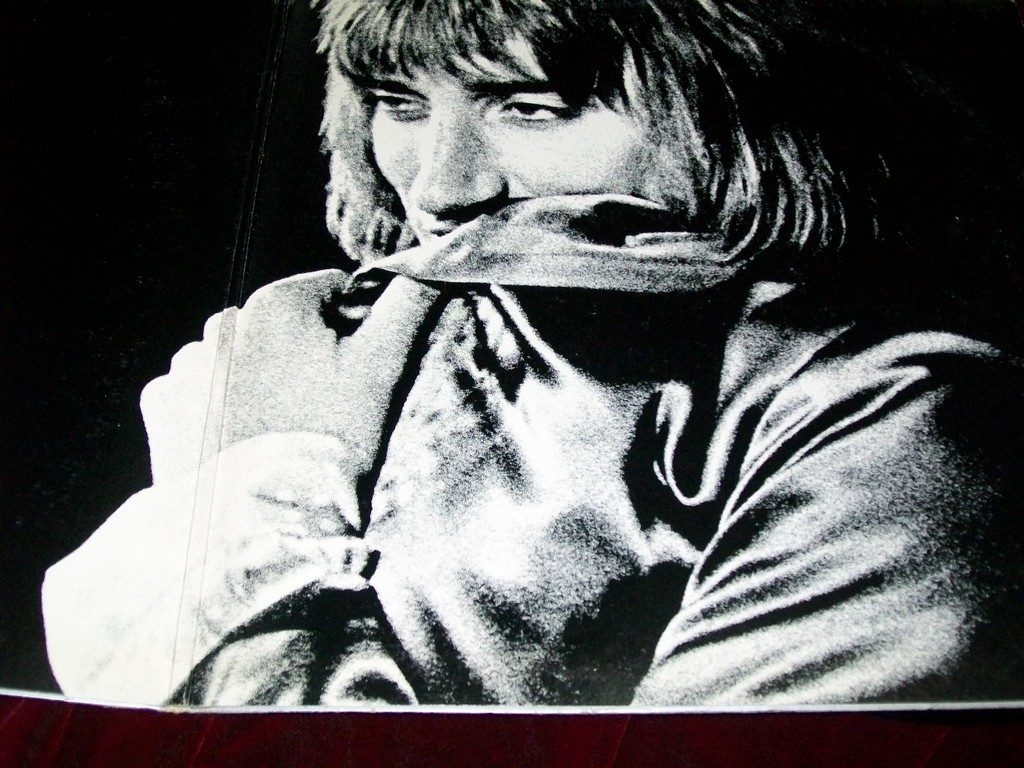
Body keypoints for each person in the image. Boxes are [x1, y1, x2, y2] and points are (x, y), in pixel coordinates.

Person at [42, 0, 1024, 707]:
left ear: (736, 107)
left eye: (531, 106)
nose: (441, 188)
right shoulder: (306, 335)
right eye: (399, 102)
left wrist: (255, 483)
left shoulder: (892, 408)